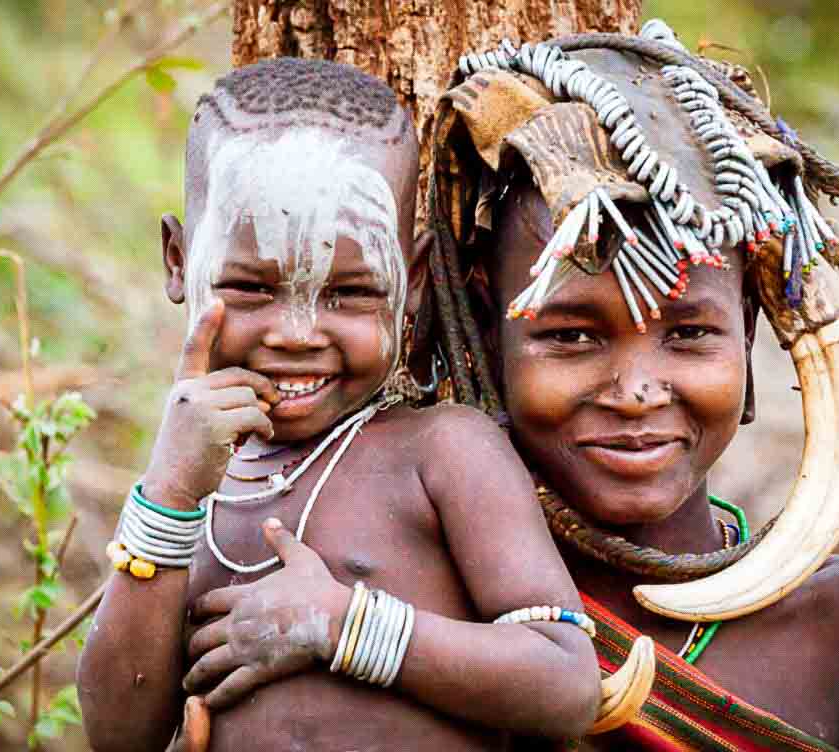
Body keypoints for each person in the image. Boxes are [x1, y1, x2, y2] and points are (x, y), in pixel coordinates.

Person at [423, 22, 839, 751]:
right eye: (570, 335)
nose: (635, 391)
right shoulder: (423, 617)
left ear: (750, 335)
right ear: (484, 325)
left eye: (689, 334)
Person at [76, 57, 600, 752]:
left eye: (348, 292)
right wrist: (168, 496)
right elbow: (119, 735)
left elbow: (564, 684)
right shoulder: (185, 491)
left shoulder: (440, 451)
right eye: (250, 288)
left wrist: (342, 627)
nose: (296, 336)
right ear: (179, 261)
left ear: (409, 281)